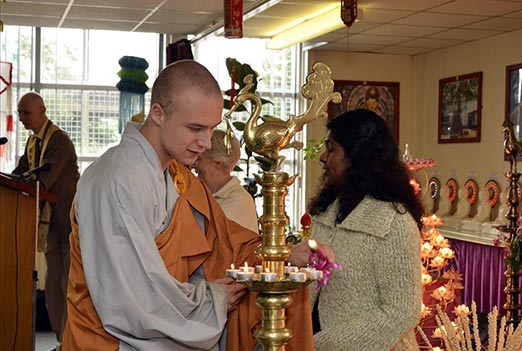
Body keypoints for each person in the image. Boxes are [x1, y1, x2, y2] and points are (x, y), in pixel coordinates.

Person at [63, 60, 313, 351]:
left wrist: (283, 256)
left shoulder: (177, 177)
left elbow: (226, 242)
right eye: (195, 128)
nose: (206, 142)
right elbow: (130, 296)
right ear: (158, 113)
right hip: (109, 341)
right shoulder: (117, 178)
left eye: (211, 129)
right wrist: (213, 300)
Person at [305, 109, 423, 350]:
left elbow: (402, 312)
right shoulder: (329, 211)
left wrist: (322, 345)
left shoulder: (393, 223)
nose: (322, 157)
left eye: (331, 148)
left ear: (356, 156)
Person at [12, 92, 79, 347]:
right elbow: (20, 175)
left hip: (68, 224)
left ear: (42, 110)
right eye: (18, 113)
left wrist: (25, 181)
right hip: (49, 227)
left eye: (25, 112)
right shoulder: (33, 143)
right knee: (52, 289)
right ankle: (62, 341)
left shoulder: (58, 140)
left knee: (67, 287)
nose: (21, 118)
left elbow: (44, 181)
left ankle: (71, 342)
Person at [193, 129, 259, 233]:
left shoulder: (239, 201)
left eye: (198, 159)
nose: (192, 165)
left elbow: (200, 235)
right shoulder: (201, 192)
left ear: (220, 163)